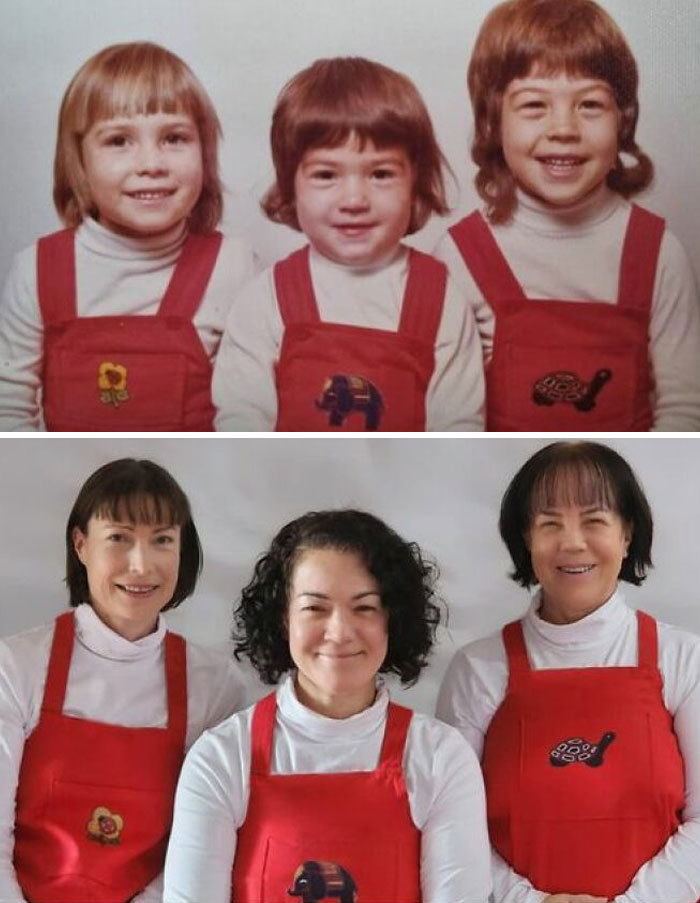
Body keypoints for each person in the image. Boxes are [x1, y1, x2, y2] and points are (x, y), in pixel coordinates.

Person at [164, 509, 492, 902]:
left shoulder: (441, 757)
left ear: (393, 618)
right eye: (315, 608)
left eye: (365, 607)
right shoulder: (221, 757)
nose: (339, 632)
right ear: (283, 618)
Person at [437, 441, 700, 903]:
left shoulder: (684, 659)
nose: (572, 542)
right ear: (525, 539)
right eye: (549, 523)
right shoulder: (478, 670)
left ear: (626, 534)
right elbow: (451, 828)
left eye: (594, 520)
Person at [434, 0, 700, 431]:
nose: (564, 128)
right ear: (492, 122)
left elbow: (686, 413)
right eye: (534, 106)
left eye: (590, 105)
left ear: (623, 119)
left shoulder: (659, 254)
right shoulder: (461, 255)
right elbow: (453, 422)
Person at [0, 458, 244, 902]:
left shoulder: (215, 686)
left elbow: (200, 850)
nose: (141, 564)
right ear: (81, 545)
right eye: (118, 538)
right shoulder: (15, 667)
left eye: (162, 540)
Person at [212, 56, 484, 431]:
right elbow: (240, 425)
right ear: (291, 186)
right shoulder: (265, 298)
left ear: (414, 183)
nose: (354, 199)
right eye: (326, 175)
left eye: (381, 174)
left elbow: (459, 429)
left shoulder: (441, 298)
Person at [0, 42, 255, 431]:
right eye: (119, 141)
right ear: (78, 160)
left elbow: (246, 416)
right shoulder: (35, 270)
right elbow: (8, 411)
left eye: (174, 138)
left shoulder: (233, 267)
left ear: (205, 153)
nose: (151, 164)